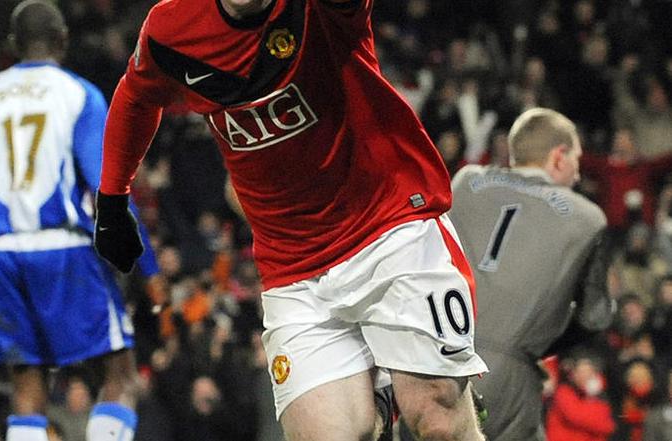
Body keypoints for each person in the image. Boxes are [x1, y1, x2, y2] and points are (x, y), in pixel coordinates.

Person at [94, 0, 488, 440]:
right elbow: (136, 96)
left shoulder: (317, 10)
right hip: (294, 270)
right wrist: (112, 198)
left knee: (438, 420)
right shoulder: (171, 29)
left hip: (389, 231)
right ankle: (378, 394)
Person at [0, 1, 158, 440]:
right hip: (64, 247)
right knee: (120, 375)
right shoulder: (78, 94)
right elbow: (109, 188)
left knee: (27, 389)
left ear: (13, 45)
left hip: (3, 255)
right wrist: (150, 268)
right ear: (63, 40)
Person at [449, 108, 614, 440]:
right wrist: (535, 346)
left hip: (437, 358)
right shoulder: (588, 218)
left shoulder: (465, 182)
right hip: (509, 379)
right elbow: (594, 318)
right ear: (559, 156)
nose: (578, 175)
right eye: (577, 160)